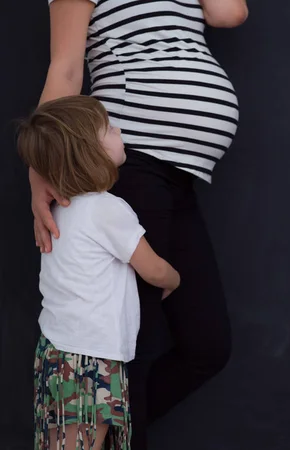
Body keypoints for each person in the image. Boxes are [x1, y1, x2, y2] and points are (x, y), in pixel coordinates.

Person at [30, 1, 248, 448]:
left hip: (180, 175)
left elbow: (230, 12)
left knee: (206, 347)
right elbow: (66, 69)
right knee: (134, 351)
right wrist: (41, 172)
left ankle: (106, 431)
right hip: (133, 168)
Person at [18, 95, 180, 450]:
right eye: (108, 127)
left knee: (61, 442)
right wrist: (174, 279)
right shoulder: (108, 209)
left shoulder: (63, 210)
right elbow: (152, 268)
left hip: (57, 350)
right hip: (89, 355)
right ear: (88, 152)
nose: (119, 129)